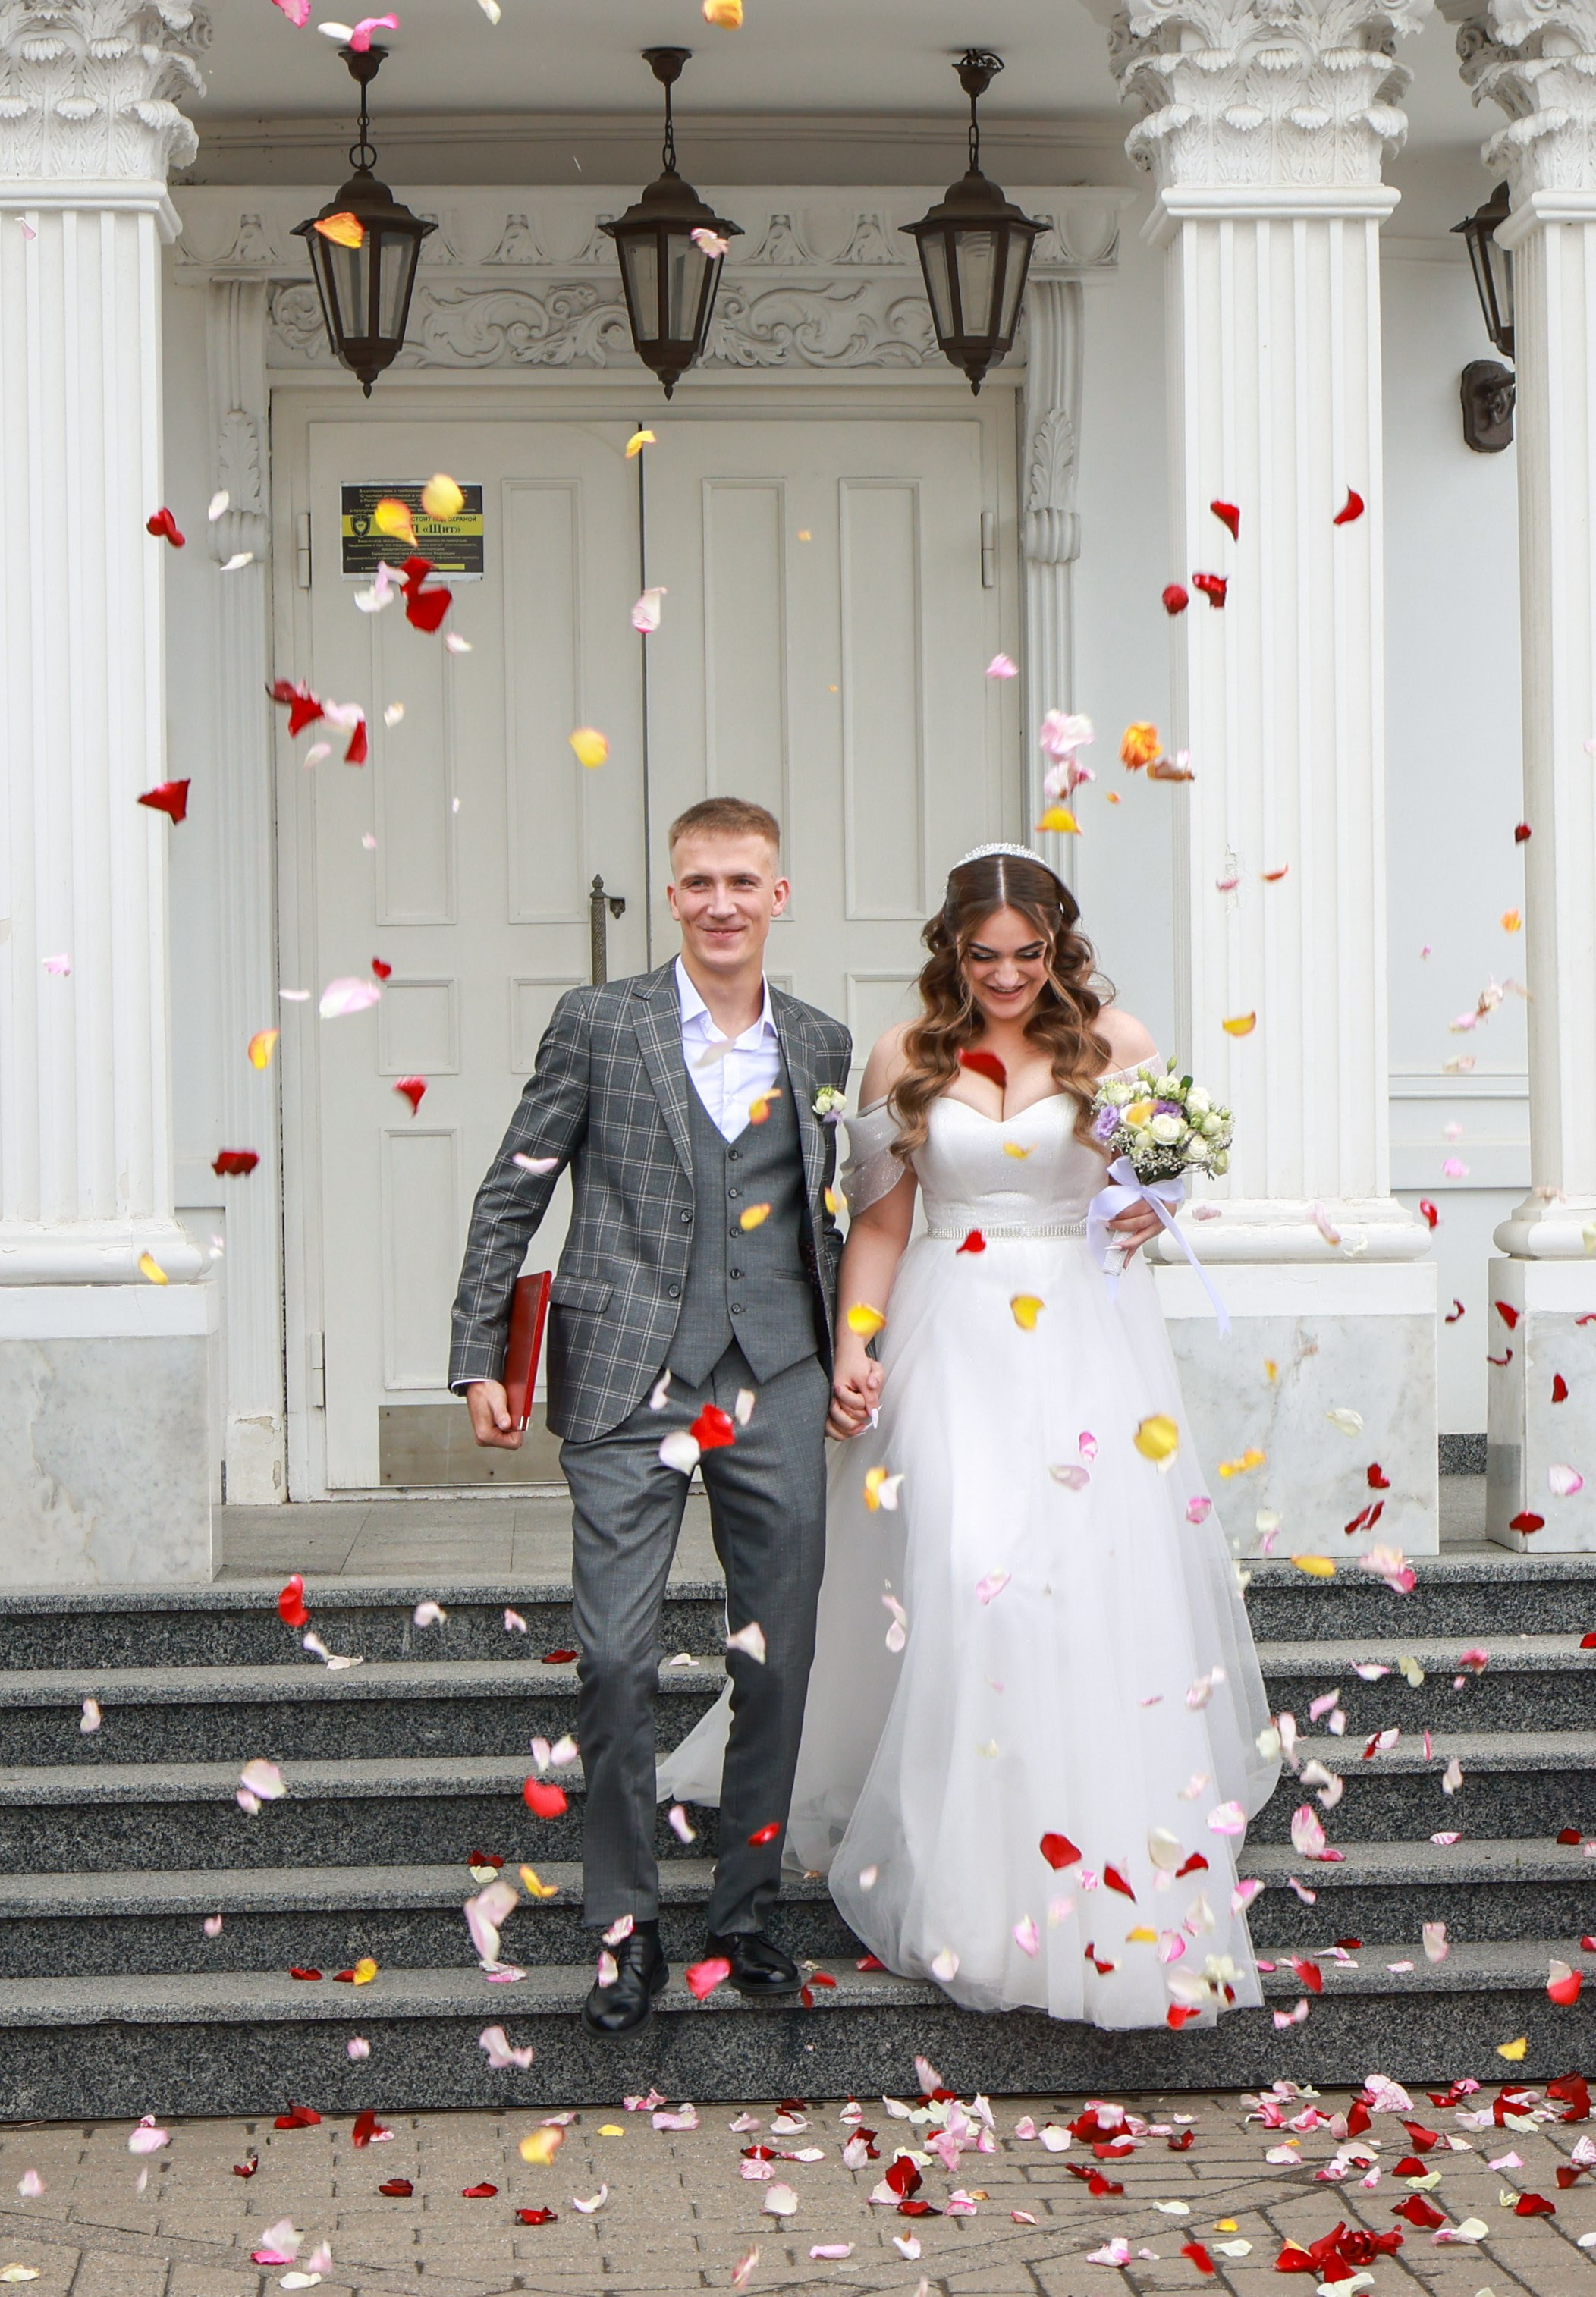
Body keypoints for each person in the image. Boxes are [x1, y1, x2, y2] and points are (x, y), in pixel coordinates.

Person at [659, 844, 1280, 2027]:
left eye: (1027, 955)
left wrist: (1160, 1202)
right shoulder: (905, 1056)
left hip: (1085, 1344)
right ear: (952, 950)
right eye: (982, 956)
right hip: (950, 1340)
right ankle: (954, 1886)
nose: (1004, 977)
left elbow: (1157, 1187)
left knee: (1074, 1600)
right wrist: (856, 1342)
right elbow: (882, 1229)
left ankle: (1087, 1889)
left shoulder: (1120, 1047)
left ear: (1060, 947)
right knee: (966, 1583)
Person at [448, 797, 850, 2038]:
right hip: (626, 1373)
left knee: (775, 1655)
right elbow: (513, 1188)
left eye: (744, 880)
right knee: (618, 1655)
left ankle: (744, 1911)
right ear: (670, 896)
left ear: (781, 894)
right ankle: (624, 1928)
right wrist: (479, 1354)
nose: (721, 902)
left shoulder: (827, 1046)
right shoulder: (599, 1023)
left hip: (776, 1373)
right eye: (697, 883)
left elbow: (853, 1214)